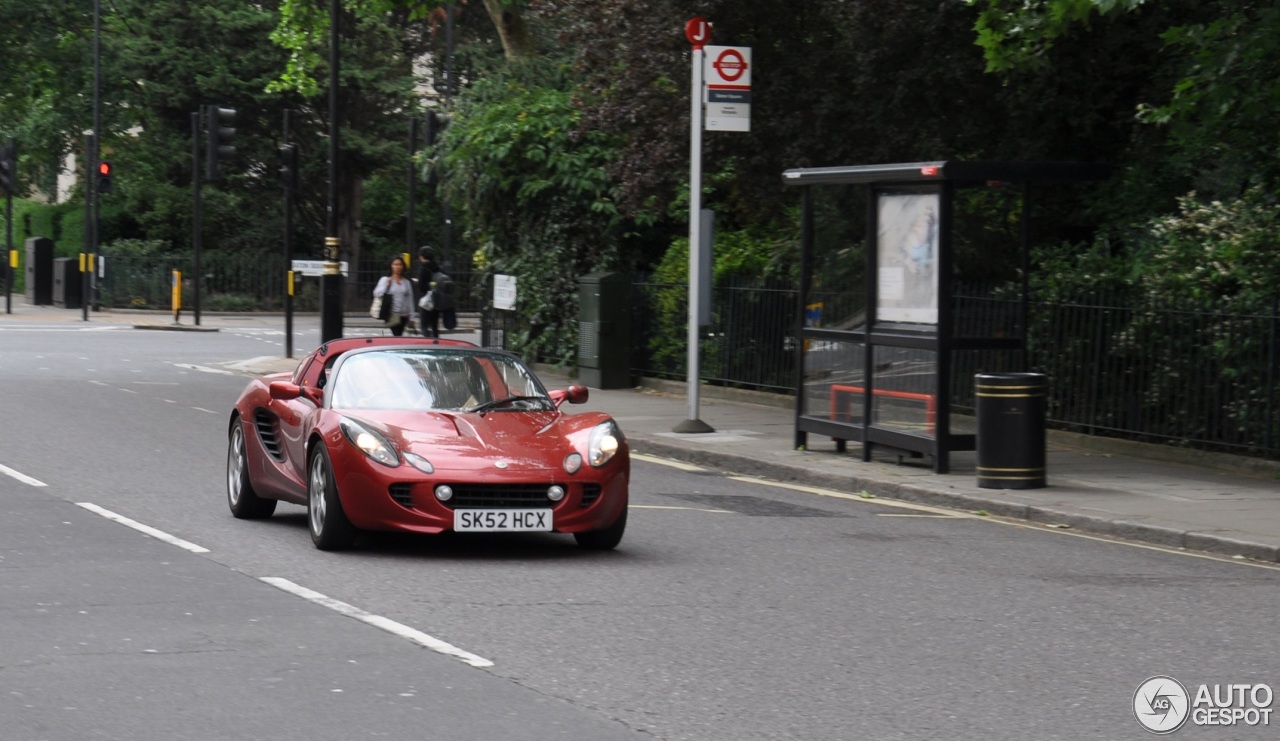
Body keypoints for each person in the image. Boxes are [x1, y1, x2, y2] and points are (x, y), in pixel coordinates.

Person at [373, 255, 414, 336]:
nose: (398, 267)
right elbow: (377, 293)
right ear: (391, 266)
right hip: (392, 315)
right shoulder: (385, 280)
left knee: (399, 335)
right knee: (397, 334)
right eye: (395, 264)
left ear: (403, 266)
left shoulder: (406, 282)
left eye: (400, 265)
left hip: (404, 315)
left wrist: (412, 316)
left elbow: (410, 300)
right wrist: (386, 285)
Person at [414, 246, 442, 337]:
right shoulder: (437, 267)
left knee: (424, 325)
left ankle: (427, 342)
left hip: (426, 300)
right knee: (434, 324)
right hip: (436, 299)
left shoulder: (423, 268)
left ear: (421, 257)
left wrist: (417, 282)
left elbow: (421, 286)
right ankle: (436, 341)